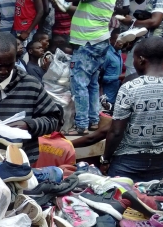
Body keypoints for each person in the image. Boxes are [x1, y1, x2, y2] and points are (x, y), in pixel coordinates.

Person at [100, 37, 163, 182]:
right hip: (158, 162)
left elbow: (116, 132)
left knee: (120, 201)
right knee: (150, 203)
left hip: (126, 162)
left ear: (141, 60)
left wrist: (106, 159)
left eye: (134, 59)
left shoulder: (130, 87)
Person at [0, 32, 61, 164]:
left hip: (22, 163)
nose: (3, 71)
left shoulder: (31, 85)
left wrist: (29, 125)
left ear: (16, 59)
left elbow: (53, 119)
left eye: (9, 65)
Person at [52, 0, 115, 135]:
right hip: (97, 40)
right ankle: (93, 121)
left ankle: (81, 125)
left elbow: (67, 5)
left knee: (80, 84)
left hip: (88, 42)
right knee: (92, 83)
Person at [100, 28, 123, 104]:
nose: (120, 43)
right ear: (111, 40)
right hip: (107, 96)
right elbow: (99, 78)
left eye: (122, 40)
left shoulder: (119, 52)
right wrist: (118, 77)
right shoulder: (107, 55)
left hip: (116, 94)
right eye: (118, 41)